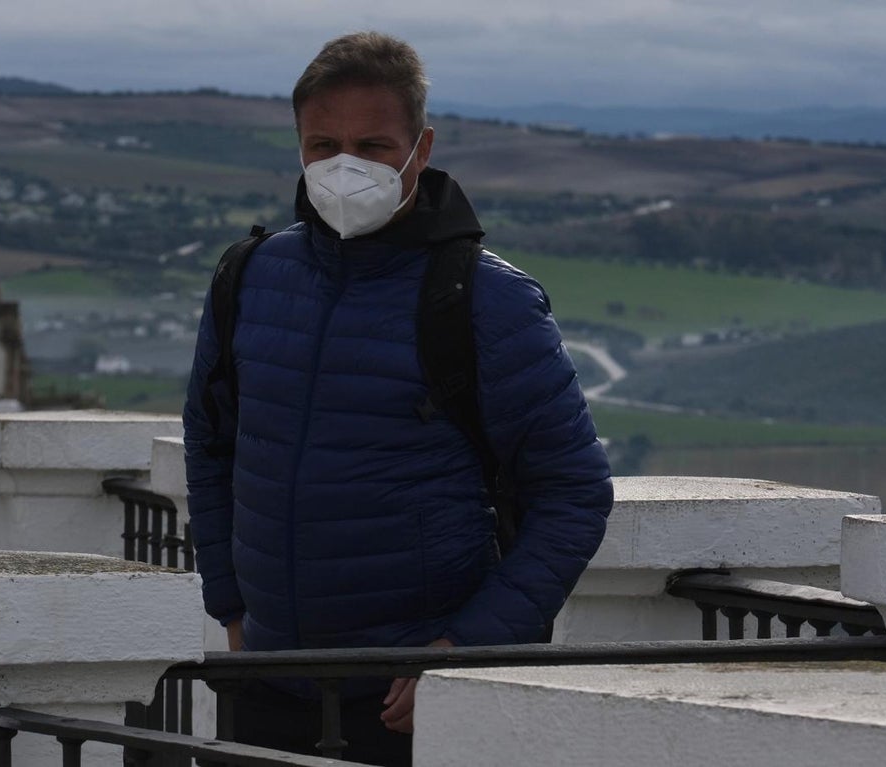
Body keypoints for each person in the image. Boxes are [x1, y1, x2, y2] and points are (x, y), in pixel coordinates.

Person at [183, 30, 613, 767]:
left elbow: (574, 492)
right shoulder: (249, 279)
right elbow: (213, 441)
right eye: (322, 144)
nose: (344, 166)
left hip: (410, 703)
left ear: (422, 146)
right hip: (265, 682)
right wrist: (230, 608)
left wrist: (465, 647)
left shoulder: (487, 302)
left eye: (374, 145)